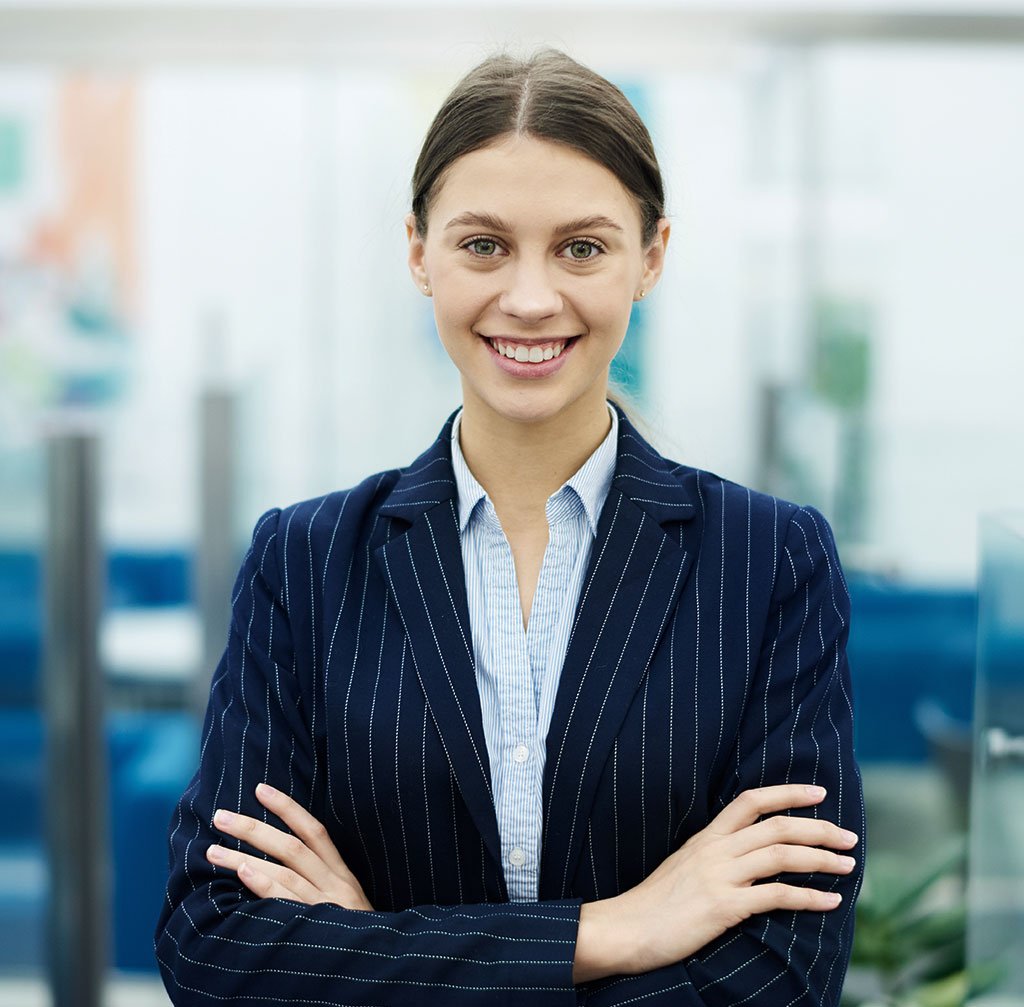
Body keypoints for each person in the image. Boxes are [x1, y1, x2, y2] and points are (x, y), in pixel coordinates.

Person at [156, 48, 864, 1006]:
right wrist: (610, 930)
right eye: (483, 245)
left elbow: (784, 971)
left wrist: (372, 951)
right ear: (419, 253)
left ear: (651, 256)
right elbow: (215, 944)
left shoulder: (769, 559)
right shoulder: (307, 559)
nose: (531, 298)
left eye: (583, 247)